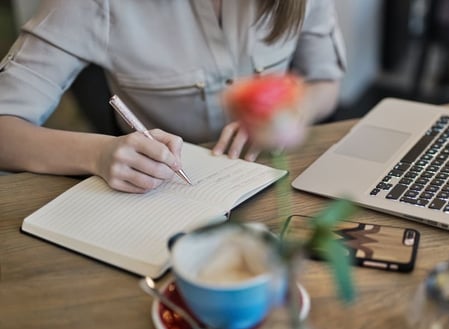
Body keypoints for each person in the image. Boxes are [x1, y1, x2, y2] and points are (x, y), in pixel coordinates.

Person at [0, 0, 347, 193]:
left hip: (281, 181)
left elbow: (326, 83)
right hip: (163, 194)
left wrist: (294, 112)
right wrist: (99, 153)